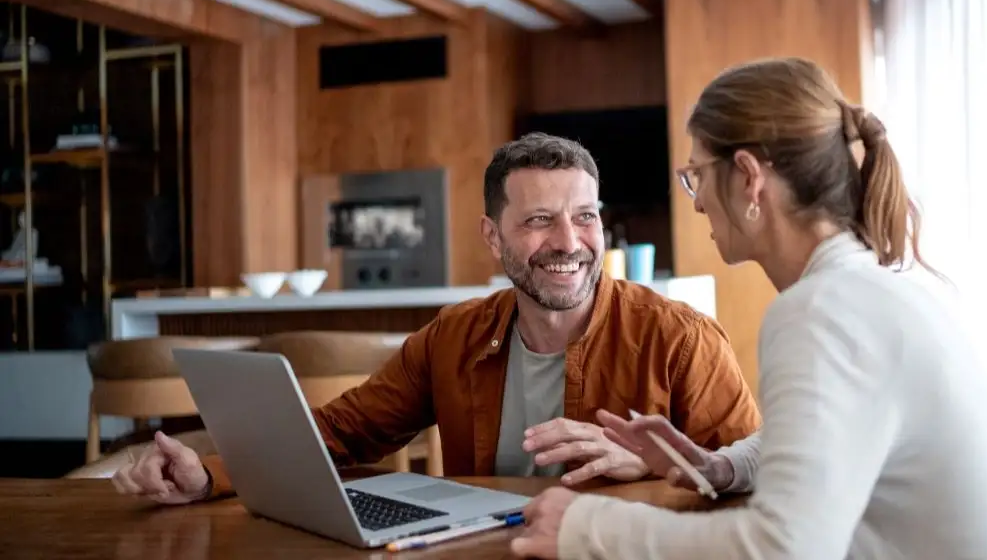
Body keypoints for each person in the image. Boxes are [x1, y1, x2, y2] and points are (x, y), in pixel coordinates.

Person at [510, 59, 987, 559]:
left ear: (747, 176)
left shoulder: (822, 310)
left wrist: (584, 526)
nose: (695, 200)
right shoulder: (871, 292)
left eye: (697, 174)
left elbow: (783, 549)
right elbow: (833, 441)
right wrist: (718, 466)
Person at [111, 133, 760, 505]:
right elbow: (340, 435)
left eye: (585, 216)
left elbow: (757, 481)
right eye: (539, 220)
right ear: (492, 234)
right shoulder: (453, 337)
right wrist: (208, 474)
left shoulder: (683, 340)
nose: (570, 241)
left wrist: (650, 463)